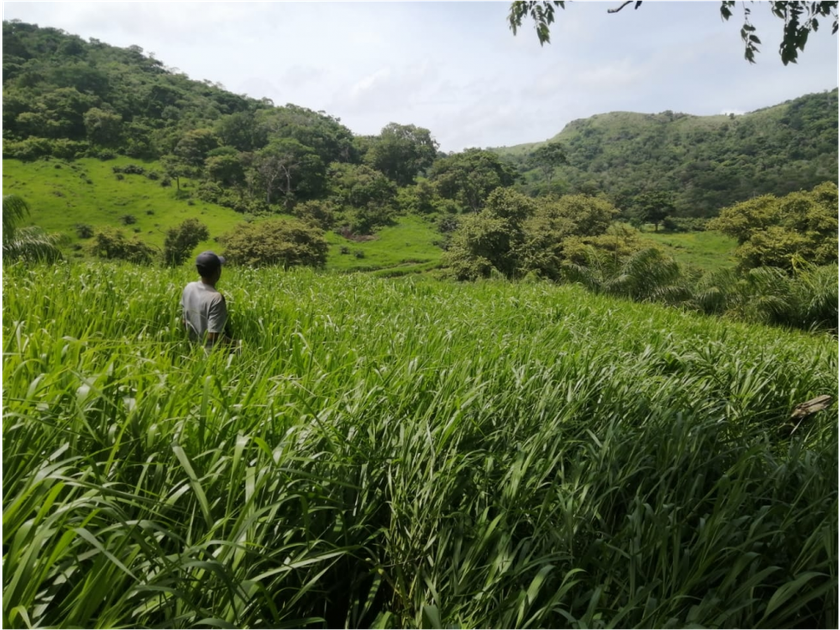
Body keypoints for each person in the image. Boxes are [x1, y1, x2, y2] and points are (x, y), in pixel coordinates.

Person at [181, 251, 237, 350]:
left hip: (193, 348)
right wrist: (236, 344)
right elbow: (213, 336)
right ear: (217, 271)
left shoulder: (189, 287)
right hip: (211, 353)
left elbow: (184, 321)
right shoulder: (216, 298)